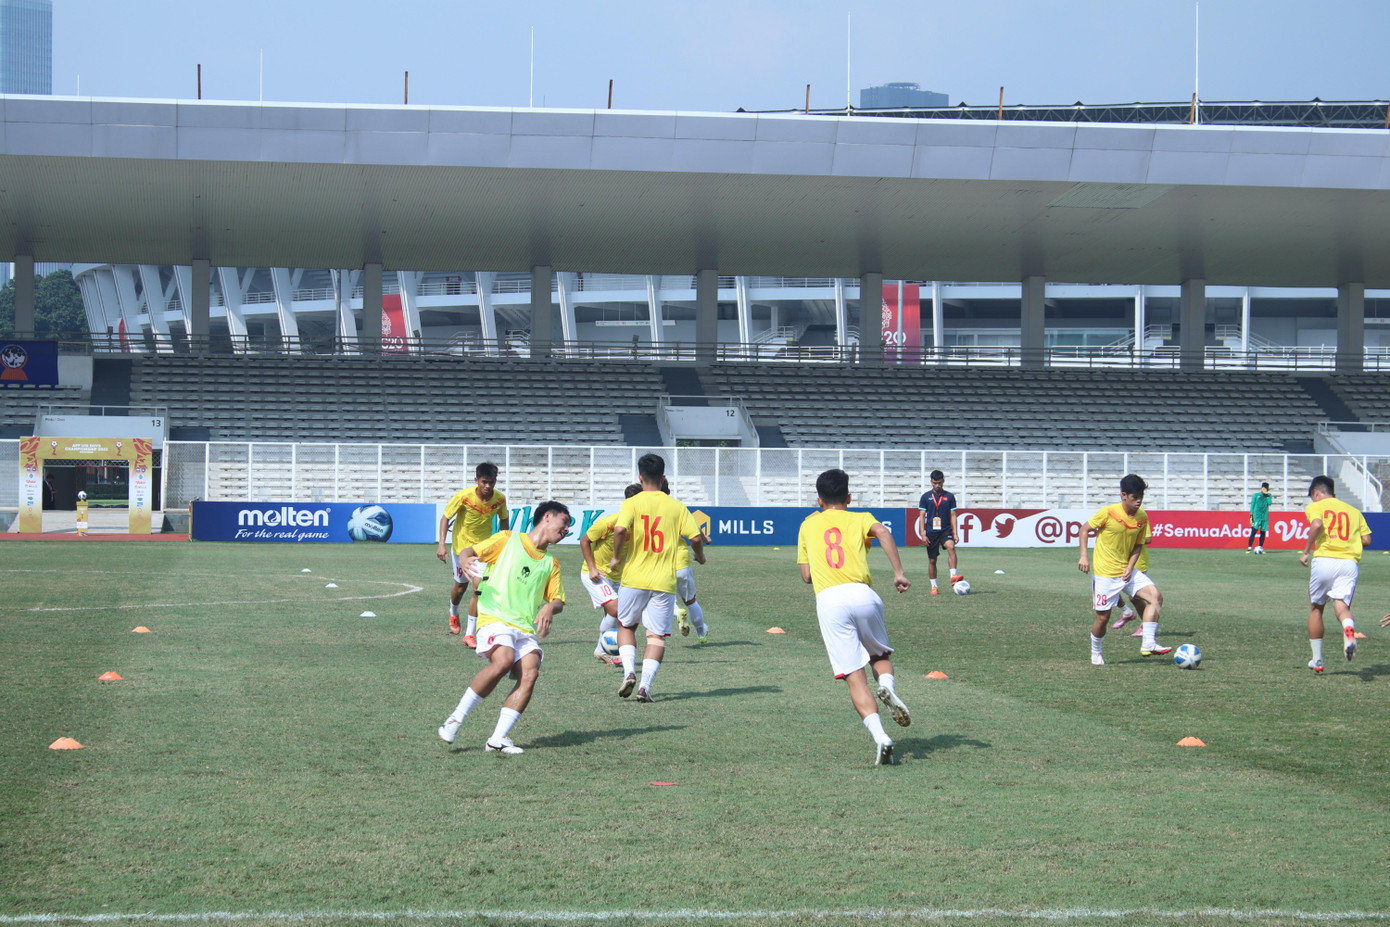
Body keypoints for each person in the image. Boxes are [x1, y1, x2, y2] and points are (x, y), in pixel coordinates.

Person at [797, 468, 912, 766]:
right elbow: (884, 532)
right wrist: (898, 573)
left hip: (830, 601)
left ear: (819, 501)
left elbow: (807, 576)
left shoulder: (807, 525)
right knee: (879, 654)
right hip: (863, 594)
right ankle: (887, 687)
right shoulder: (861, 518)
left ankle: (881, 737)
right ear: (849, 497)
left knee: (853, 675)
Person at [437, 500, 570, 754]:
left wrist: (549, 607)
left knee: (530, 673)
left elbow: (558, 600)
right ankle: (455, 719)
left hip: (523, 628)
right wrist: (465, 561)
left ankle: (497, 739)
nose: (566, 531)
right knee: (503, 661)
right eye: (564, 523)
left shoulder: (551, 564)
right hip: (494, 618)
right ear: (548, 517)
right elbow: (468, 552)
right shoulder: (507, 539)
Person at [608, 453, 704, 702]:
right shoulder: (677, 506)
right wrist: (700, 556)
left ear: (640, 478)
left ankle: (629, 671)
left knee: (626, 626)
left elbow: (619, 529)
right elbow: (695, 538)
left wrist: (617, 557)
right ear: (663, 478)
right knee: (656, 637)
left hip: (633, 578)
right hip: (664, 582)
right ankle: (645, 687)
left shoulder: (632, 503)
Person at [1077, 474, 1171, 665]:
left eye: (1141, 497)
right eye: (1135, 497)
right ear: (1123, 495)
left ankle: (1148, 643)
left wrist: (1130, 567)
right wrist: (1084, 556)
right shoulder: (1108, 512)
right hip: (1105, 574)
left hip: (1127, 572)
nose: (1139, 501)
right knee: (1103, 618)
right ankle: (1096, 651)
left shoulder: (1142, 516)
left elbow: (1139, 545)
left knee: (1156, 598)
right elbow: (1084, 529)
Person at [1300, 475, 1371, 673]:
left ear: (1316, 493)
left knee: (1316, 608)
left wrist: (1306, 552)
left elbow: (1316, 525)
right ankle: (1348, 631)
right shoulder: (1354, 511)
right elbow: (1366, 540)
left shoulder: (1316, 506)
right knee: (1342, 608)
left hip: (1325, 560)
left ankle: (1318, 660)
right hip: (1349, 563)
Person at [437, 462, 509, 644]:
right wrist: (441, 545)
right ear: (476, 480)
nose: (487, 486)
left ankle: (470, 634)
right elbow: (446, 518)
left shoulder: (500, 499)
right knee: (460, 588)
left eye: (491, 482)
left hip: (484, 550)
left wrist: (503, 543)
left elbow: (504, 520)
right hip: (462, 550)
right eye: (484, 482)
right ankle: (453, 611)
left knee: (479, 589)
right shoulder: (463, 497)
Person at [579, 483, 641, 665]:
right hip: (596, 575)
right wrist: (591, 568)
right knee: (617, 609)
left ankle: (604, 649)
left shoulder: (640, 525)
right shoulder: (609, 522)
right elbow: (584, 541)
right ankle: (603, 648)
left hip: (618, 577)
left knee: (620, 613)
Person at [663, 478, 712, 644]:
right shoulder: (678, 508)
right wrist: (702, 549)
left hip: (657, 563)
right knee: (691, 600)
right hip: (680, 561)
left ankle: (677, 613)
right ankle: (701, 633)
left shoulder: (644, 507)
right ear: (668, 491)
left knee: (662, 600)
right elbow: (694, 534)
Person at [917, 470, 963, 595]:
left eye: (940, 483)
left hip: (945, 529)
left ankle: (953, 576)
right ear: (931, 481)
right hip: (931, 532)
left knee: (951, 546)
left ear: (943, 481)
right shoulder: (925, 497)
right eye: (935, 483)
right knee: (932, 560)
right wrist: (923, 534)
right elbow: (922, 516)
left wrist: (955, 533)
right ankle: (934, 587)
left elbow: (953, 515)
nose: (937, 485)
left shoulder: (950, 496)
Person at [1248, 482, 1273, 553]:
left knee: (1263, 532)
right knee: (1254, 531)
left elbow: (1269, 503)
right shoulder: (1256, 495)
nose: (1264, 490)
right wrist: (1251, 515)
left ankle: (1260, 546)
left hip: (1264, 516)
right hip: (1257, 516)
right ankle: (1249, 547)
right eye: (1263, 488)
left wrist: (1267, 496)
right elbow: (1253, 504)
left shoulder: (1269, 495)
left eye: (1265, 488)